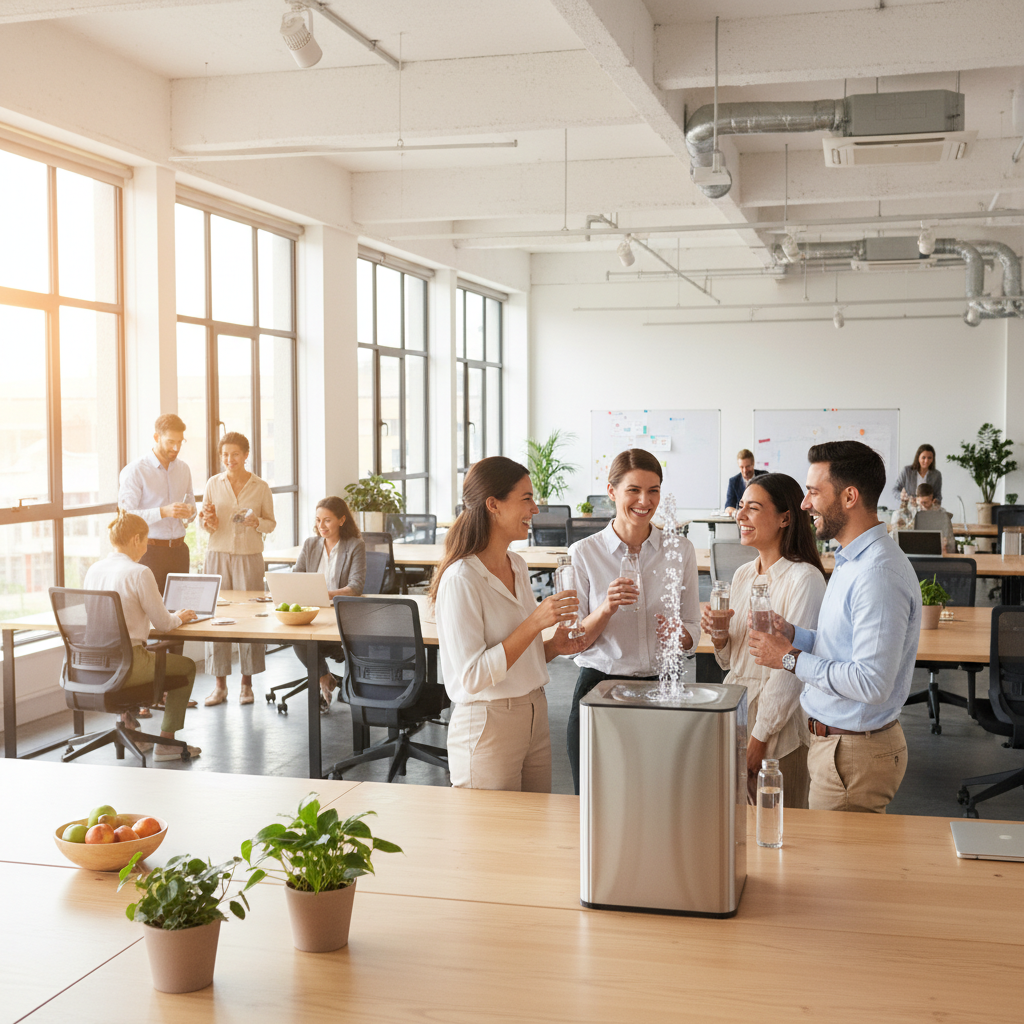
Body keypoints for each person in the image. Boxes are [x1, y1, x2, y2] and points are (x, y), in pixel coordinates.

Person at [749, 440, 921, 814]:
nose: (805, 503)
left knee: (839, 873)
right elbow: (838, 646)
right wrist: (795, 635)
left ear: (849, 497)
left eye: (813, 492)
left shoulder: (877, 573)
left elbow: (871, 682)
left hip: (853, 755)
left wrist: (790, 658)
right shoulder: (851, 560)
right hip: (841, 748)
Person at [430, 457, 585, 792]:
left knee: (532, 836)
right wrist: (534, 623)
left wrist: (553, 646)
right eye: (526, 499)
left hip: (534, 714)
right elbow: (473, 677)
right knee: (491, 841)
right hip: (488, 723)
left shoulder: (516, 564)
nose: (536, 509)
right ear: (493, 505)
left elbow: (515, 659)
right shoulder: (461, 579)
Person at [565, 448, 699, 795]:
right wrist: (605, 608)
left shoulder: (679, 550)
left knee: (660, 798)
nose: (645, 500)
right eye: (633, 490)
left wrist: (680, 635)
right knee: (596, 801)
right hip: (599, 688)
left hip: (661, 688)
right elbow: (571, 640)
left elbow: (691, 630)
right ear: (611, 492)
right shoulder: (584, 553)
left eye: (653, 490)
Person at [701, 473, 826, 808]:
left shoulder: (805, 579)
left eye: (753, 508)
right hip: (736, 714)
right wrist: (720, 636)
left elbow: (789, 673)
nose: (740, 516)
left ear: (785, 517)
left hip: (777, 729)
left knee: (780, 837)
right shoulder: (743, 574)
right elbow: (729, 663)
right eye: (740, 507)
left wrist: (758, 738)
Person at [83, 510, 201, 761]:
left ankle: (129, 727)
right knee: (187, 667)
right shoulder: (140, 573)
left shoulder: (94, 570)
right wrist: (181, 615)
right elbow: (164, 623)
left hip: (94, 663)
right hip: (130, 664)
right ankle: (167, 743)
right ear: (136, 539)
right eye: (146, 541)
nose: (147, 548)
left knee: (146, 660)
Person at [199, 432, 276, 706]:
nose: (229, 459)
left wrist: (257, 522)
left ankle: (247, 684)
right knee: (216, 617)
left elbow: (271, 523)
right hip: (217, 555)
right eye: (225, 454)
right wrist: (206, 520)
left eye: (234, 454)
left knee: (249, 618)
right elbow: (206, 525)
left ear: (246, 455)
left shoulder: (261, 486)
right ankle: (220, 686)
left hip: (249, 556)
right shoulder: (212, 483)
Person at [292, 496, 366, 713]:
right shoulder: (310, 544)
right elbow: (297, 576)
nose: (321, 526)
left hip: (341, 612)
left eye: (327, 520)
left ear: (342, 520)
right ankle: (324, 676)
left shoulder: (354, 546)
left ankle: (325, 678)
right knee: (297, 636)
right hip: (314, 611)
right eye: (317, 520)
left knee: (307, 637)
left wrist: (324, 595)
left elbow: (355, 587)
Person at [117, 413, 195, 594]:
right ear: (156, 437)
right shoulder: (135, 471)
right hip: (149, 552)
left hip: (179, 552)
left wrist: (189, 512)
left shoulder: (183, 469)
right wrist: (163, 512)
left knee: (181, 613)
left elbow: (191, 504)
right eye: (170, 442)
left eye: (180, 442)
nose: (176, 448)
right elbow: (125, 516)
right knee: (151, 615)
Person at [912, 483, 955, 553]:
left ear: (932, 499)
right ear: (917, 499)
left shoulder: (941, 513)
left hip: (938, 551)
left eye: (925, 502)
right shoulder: (913, 512)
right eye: (920, 503)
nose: (922, 505)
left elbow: (949, 540)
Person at [725, 448, 767, 514]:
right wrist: (733, 511)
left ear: (753, 464)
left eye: (748, 466)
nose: (745, 471)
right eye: (741, 467)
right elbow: (729, 506)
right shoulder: (734, 481)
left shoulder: (764, 476)